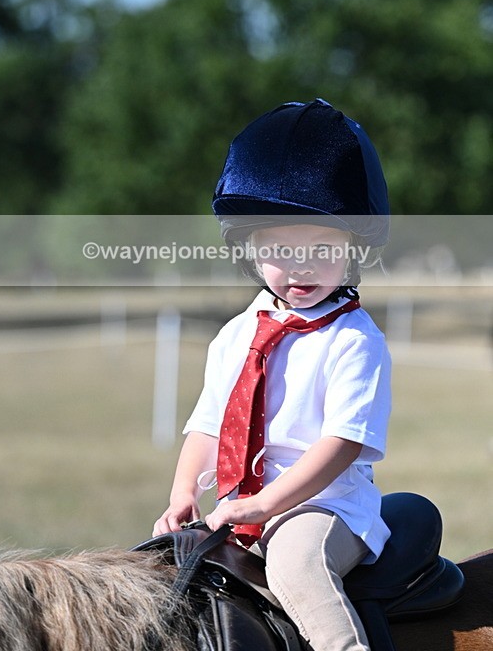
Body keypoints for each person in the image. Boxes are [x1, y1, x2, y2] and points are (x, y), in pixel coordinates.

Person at [153, 98, 392, 651]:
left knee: (298, 567)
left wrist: (265, 506)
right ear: (251, 251)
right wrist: (184, 490)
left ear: (354, 250)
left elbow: (343, 442)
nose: (301, 265)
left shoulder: (354, 339)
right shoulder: (239, 333)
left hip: (322, 505)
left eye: (322, 247)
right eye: (281, 249)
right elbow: (211, 419)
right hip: (237, 506)